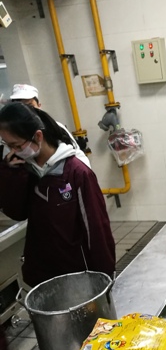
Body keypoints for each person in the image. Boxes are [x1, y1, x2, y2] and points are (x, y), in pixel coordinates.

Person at [0, 102, 115, 288]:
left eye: (16, 145)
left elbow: (96, 229)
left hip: (76, 276)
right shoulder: (25, 170)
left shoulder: (76, 172)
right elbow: (17, 212)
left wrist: (105, 276)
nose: (13, 151)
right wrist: (11, 173)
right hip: (43, 276)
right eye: (8, 145)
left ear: (38, 136)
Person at [9, 83, 91, 168]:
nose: (26, 111)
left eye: (30, 106)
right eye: (21, 107)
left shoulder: (56, 127)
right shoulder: (11, 136)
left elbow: (78, 155)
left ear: (39, 106)